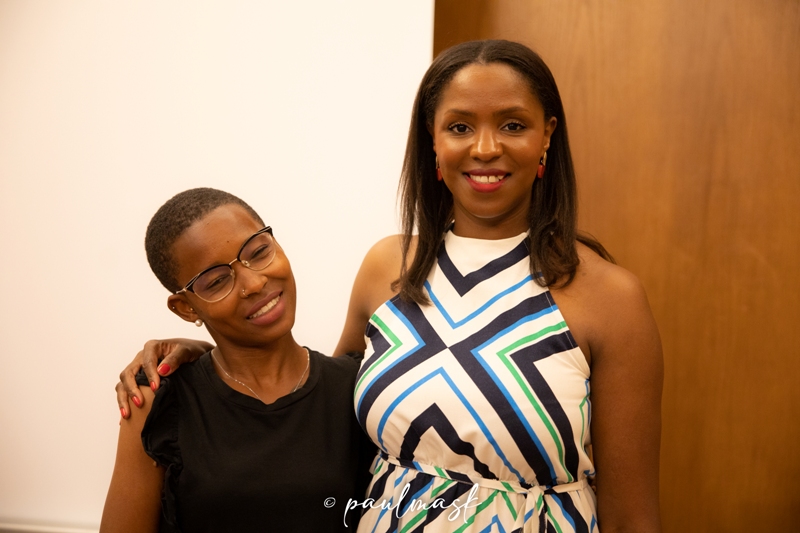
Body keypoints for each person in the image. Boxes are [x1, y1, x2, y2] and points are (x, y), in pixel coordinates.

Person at [118, 40, 663, 532]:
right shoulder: (387, 267)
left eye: (513, 125)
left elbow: (632, 517)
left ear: (547, 135)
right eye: (460, 127)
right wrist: (205, 358)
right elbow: (320, 402)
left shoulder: (609, 298)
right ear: (433, 140)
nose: (484, 148)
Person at [101, 188, 373, 532]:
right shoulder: (158, 403)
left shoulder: (359, 388)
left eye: (259, 252)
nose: (254, 283)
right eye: (216, 282)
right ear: (186, 308)